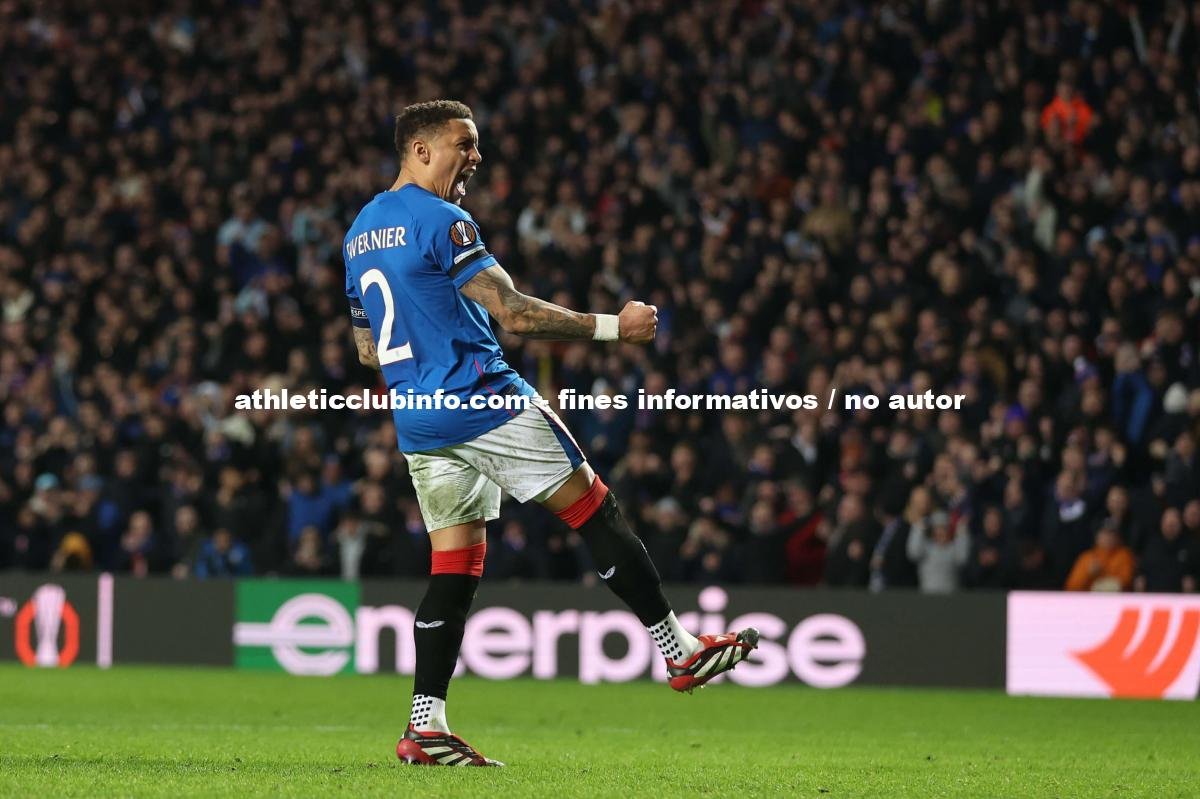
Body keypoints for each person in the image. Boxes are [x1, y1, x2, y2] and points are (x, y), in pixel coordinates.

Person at [343, 100, 758, 767]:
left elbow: (367, 351)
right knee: (595, 505)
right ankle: (679, 649)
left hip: (418, 417)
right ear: (419, 150)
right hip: (481, 400)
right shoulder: (443, 221)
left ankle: (426, 722)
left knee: (455, 565)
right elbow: (512, 312)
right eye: (463, 143)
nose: (475, 156)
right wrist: (611, 328)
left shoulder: (359, 231)